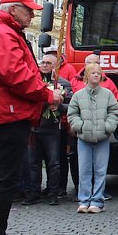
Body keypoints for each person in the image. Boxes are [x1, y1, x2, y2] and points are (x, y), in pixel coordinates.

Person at [0, 0, 64, 235]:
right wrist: (47, 94)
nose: (32, 15)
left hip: (8, 113)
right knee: (6, 181)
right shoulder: (1, 34)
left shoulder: (3, 32)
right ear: (13, 10)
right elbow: (15, 74)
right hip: (7, 115)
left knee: (6, 180)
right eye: (28, 10)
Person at [68, 62, 118, 214]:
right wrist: (80, 126)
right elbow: (72, 114)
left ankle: (97, 201)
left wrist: (107, 127)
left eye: (98, 73)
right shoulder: (78, 95)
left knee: (100, 171)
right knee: (84, 170)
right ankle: (84, 200)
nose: (96, 75)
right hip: (83, 138)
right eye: (93, 73)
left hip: (102, 138)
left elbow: (114, 112)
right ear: (87, 76)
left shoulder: (107, 94)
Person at [24, 53, 71, 206]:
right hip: (34, 128)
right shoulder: (32, 81)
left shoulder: (62, 83)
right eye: (42, 62)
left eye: (48, 63)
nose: (44, 65)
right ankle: (34, 193)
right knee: (33, 163)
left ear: (55, 66)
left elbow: (71, 106)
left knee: (54, 163)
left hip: (52, 129)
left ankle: (53, 193)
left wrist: (59, 107)